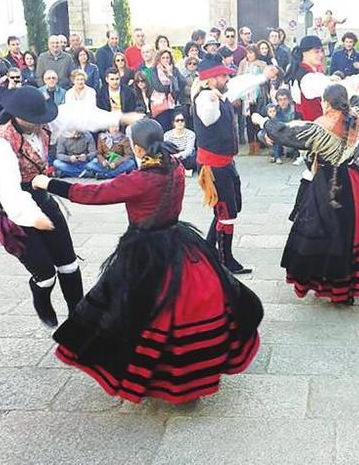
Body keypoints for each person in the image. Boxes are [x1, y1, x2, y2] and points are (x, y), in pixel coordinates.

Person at [30, 119, 263, 405]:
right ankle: (184, 375)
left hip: (143, 250)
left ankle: (148, 375)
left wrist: (49, 183)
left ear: (138, 149)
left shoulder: (140, 180)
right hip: (177, 241)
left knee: (136, 312)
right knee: (182, 311)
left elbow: (92, 194)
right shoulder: (175, 166)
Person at [0, 85, 142, 327]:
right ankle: (42, 299)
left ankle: (79, 318)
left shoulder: (44, 125)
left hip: (42, 194)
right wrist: (30, 216)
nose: (40, 124)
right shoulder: (1, 143)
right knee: (45, 273)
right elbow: (8, 187)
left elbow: (79, 115)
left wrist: (119, 117)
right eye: (34, 120)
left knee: (68, 262)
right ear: (18, 116)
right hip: (14, 210)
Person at [253, 83, 359, 304]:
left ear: (325, 102)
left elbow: (286, 135)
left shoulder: (320, 127)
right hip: (354, 178)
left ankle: (332, 285)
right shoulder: (358, 118)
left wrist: (262, 121)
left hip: (327, 182)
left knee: (327, 233)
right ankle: (353, 283)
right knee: (356, 231)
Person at [193, 53, 277, 274]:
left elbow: (240, 84)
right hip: (213, 167)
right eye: (221, 75)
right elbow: (208, 118)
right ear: (210, 79)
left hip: (225, 163)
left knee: (230, 208)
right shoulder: (204, 99)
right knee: (226, 212)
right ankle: (225, 260)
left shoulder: (222, 93)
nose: (226, 77)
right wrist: (211, 102)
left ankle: (207, 250)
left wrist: (263, 76)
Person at [237, 46, 268, 155]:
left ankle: (258, 144)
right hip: (246, 97)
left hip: (258, 96)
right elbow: (239, 78)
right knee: (248, 122)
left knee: (257, 121)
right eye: (248, 53)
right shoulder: (243, 64)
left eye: (251, 53)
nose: (249, 55)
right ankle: (251, 145)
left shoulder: (261, 63)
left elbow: (265, 77)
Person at [150, 49, 185, 131]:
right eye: (163, 58)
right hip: (160, 104)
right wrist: (171, 86)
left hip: (173, 103)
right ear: (159, 59)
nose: (165, 60)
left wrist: (171, 75)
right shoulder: (154, 70)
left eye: (167, 58)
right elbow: (158, 86)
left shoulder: (175, 70)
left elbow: (182, 83)